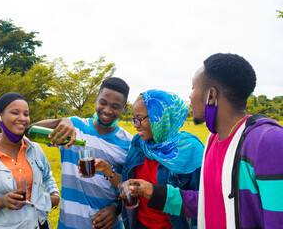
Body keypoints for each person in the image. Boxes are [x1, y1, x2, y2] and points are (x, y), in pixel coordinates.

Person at [130, 53, 283, 229]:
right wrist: (155, 192)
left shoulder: (267, 140)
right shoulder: (213, 140)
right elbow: (209, 203)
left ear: (210, 95)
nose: (190, 96)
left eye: (193, 88)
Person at [93, 89, 204, 229]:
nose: (135, 125)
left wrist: (154, 191)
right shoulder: (138, 144)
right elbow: (128, 186)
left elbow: (203, 203)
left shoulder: (191, 149)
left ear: (160, 117)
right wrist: (106, 169)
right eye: (134, 119)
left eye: (140, 118)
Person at [31, 77, 133, 229]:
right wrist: (61, 121)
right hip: (68, 225)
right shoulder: (74, 127)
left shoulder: (129, 143)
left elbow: (131, 192)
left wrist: (116, 209)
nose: (106, 110)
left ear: (124, 108)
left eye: (115, 106)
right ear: (97, 98)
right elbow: (30, 131)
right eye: (103, 102)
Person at [0, 92, 60, 229]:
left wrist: (54, 194)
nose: (22, 118)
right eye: (15, 112)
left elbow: (47, 177)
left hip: (41, 225)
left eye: (26, 114)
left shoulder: (34, 149)